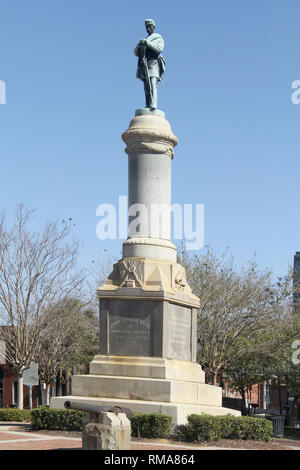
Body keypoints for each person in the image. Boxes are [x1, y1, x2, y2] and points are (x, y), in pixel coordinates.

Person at [134, 19, 165, 110]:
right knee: (146, 87)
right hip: (145, 64)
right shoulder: (144, 40)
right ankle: (147, 104)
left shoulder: (158, 38)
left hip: (154, 64)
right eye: (146, 26)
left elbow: (159, 48)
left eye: (149, 26)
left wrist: (148, 43)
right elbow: (136, 52)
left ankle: (153, 104)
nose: (148, 28)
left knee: (153, 83)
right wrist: (140, 45)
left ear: (153, 27)